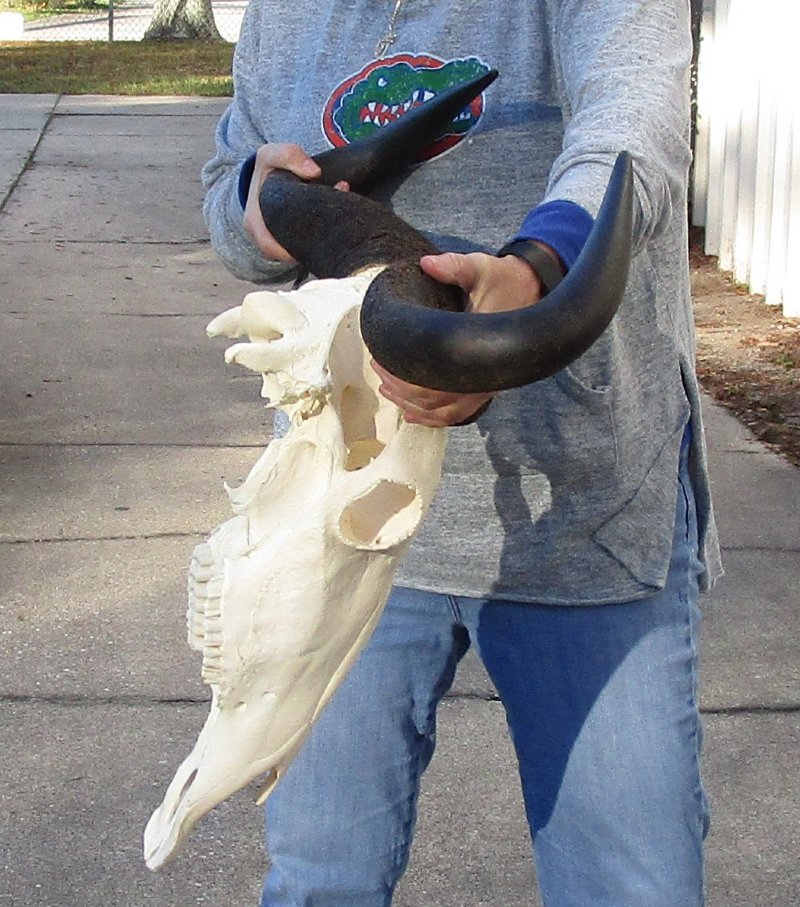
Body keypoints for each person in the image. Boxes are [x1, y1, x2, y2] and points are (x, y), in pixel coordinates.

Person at [202, 1, 723, 904]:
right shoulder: (286, 12)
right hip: (343, 513)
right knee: (321, 881)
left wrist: (536, 269)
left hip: (585, 522)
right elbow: (227, 185)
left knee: (627, 887)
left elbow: (632, 132)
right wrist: (257, 200)